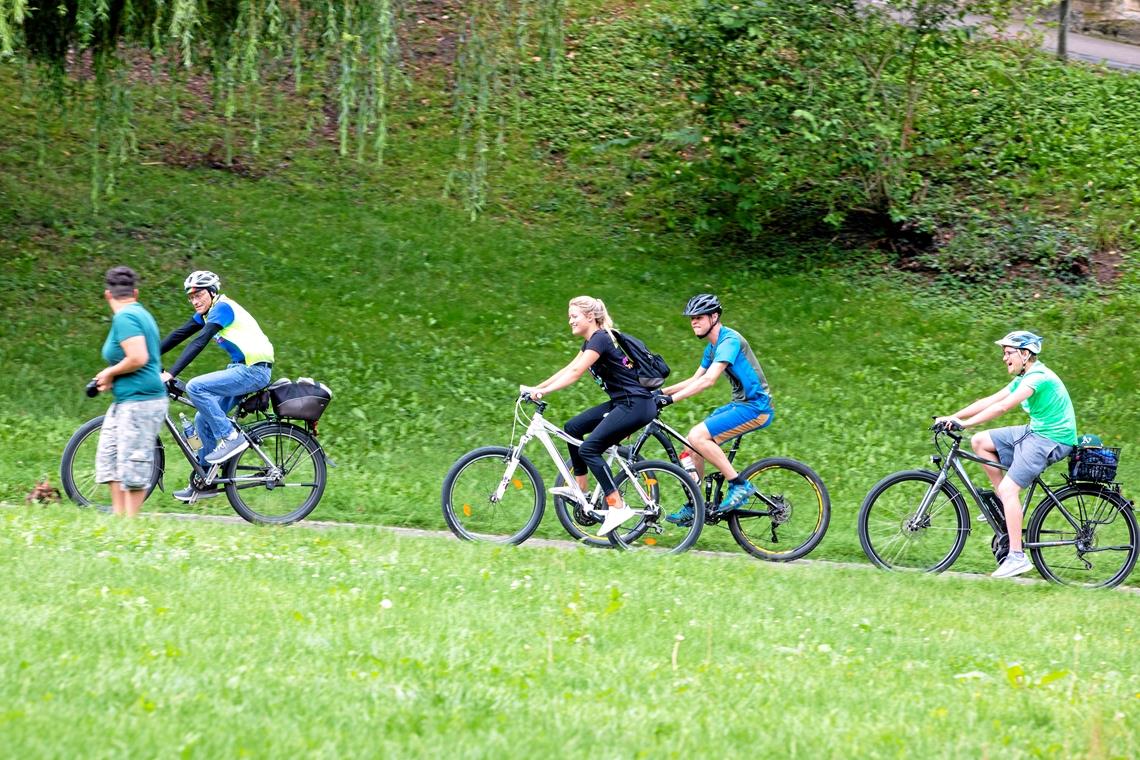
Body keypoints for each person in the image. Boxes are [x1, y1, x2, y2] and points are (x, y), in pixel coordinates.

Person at [934, 330, 1077, 579]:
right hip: (1035, 432)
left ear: (1025, 354)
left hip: (1051, 440)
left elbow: (1002, 407)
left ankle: (1017, 557)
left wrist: (965, 424)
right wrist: (953, 417)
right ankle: (1004, 506)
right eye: (1004, 353)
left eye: (1008, 353)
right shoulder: (1024, 377)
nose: (1004, 358)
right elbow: (989, 400)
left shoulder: (1038, 377)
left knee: (1010, 489)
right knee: (980, 441)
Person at [520, 296, 658, 537]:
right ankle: (580, 490)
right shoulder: (591, 342)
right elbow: (568, 368)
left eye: (574, 316)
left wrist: (543, 392)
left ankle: (617, 506)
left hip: (635, 405)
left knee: (589, 449)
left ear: (590, 317)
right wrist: (536, 388)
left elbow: (575, 373)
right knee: (572, 427)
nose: (570, 321)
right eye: (569, 317)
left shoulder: (601, 339)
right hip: (624, 403)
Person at [656, 294, 774, 524]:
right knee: (691, 444)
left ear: (714, 317)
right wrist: (661, 392)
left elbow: (709, 380)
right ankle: (695, 504)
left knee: (698, 436)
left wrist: (671, 400)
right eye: (692, 318)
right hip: (741, 404)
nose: (694, 322)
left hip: (756, 407)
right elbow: (695, 379)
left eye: (699, 317)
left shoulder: (729, 341)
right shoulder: (712, 347)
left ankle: (739, 485)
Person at [159, 270, 274, 501]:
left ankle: (231, 437)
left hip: (254, 370)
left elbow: (199, 341)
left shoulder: (222, 308)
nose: (195, 301)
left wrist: (171, 373)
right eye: (191, 297)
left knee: (196, 387)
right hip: (240, 368)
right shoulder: (207, 313)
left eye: (199, 295)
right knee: (202, 419)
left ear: (212, 292)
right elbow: (179, 335)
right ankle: (205, 481)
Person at [93, 266, 169, 517]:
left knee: (133, 462)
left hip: (142, 402)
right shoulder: (139, 314)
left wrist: (109, 373)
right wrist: (114, 376)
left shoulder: (125, 317)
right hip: (126, 400)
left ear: (107, 295)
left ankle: (130, 523)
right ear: (135, 293)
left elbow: (138, 357)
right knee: (111, 456)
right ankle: (119, 518)